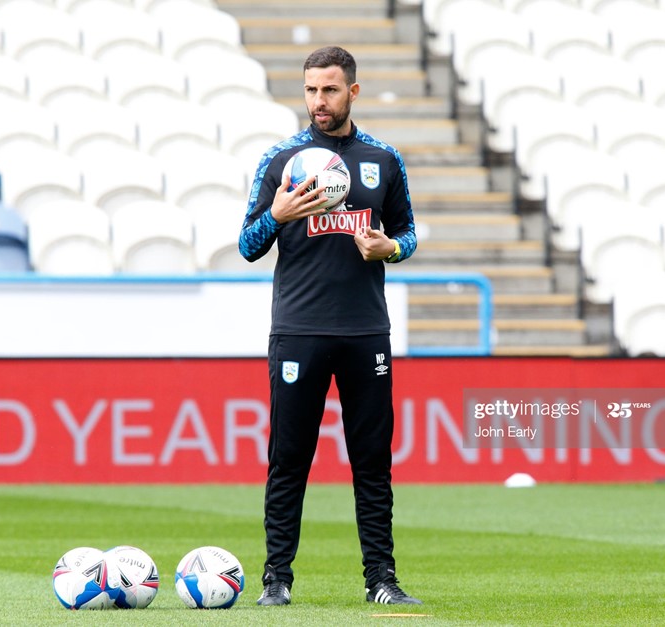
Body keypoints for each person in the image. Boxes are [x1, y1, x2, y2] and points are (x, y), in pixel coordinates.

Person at [238, 45, 421, 607]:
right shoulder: (281, 161)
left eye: (331, 90)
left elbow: (409, 234)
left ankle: (381, 582)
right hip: (299, 330)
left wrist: (389, 247)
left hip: (366, 331)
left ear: (352, 92)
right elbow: (248, 245)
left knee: (372, 463)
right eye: (312, 89)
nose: (320, 101)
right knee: (289, 459)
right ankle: (277, 581)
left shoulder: (383, 159)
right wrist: (279, 215)